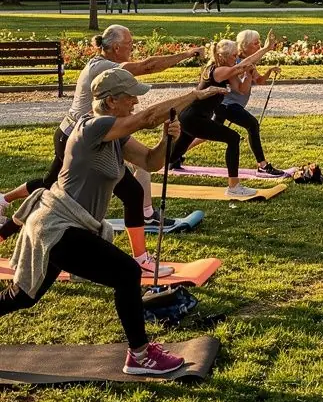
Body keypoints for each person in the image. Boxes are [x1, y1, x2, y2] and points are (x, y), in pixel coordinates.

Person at [0, 67, 222, 376]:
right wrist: (194, 96)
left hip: (69, 226)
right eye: (129, 96)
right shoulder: (92, 127)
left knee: (22, 297)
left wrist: (165, 139)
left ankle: (141, 355)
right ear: (110, 101)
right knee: (127, 273)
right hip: (56, 225)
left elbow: (151, 162)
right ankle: (141, 356)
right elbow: (146, 116)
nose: (134, 101)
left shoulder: (116, 137)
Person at [1, 25, 205, 265]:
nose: (133, 47)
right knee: (59, 194)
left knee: (52, 189)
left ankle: (4, 208)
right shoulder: (105, 69)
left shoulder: (105, 67)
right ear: (116, 47)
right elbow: (148, 80)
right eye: (130, 44)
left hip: (86, 133)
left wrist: (165, 139)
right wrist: (189, 58)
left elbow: (150, 160)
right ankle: (140, 259)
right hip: (82, 136)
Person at [169, 32, 277, 195]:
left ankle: (142, 167)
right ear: (223, 57)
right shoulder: (217, 71)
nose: (236, 58)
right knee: (233, 138)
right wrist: (266, 48)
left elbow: (241, 90)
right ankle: (234, 187)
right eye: (234, 56)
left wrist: (248, 74)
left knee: (170, 157)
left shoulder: (226, 72)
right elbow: (240, 66)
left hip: (195, 118)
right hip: (192, 117)